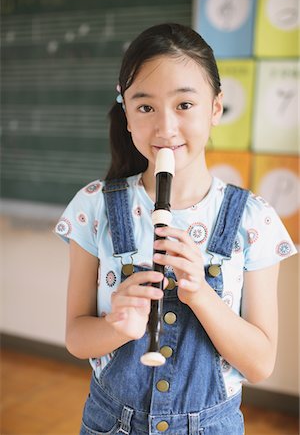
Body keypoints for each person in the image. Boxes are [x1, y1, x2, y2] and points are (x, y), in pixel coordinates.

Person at [54, 23, 297, 435]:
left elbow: (260, 364)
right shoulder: (94, 206)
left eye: (184, 105)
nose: (165, 128)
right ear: (126, 113)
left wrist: (201, 294)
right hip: (110, 423)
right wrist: (116, 326)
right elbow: (77, 338)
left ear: (216, 108)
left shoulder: (254, 220)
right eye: (145, 107)